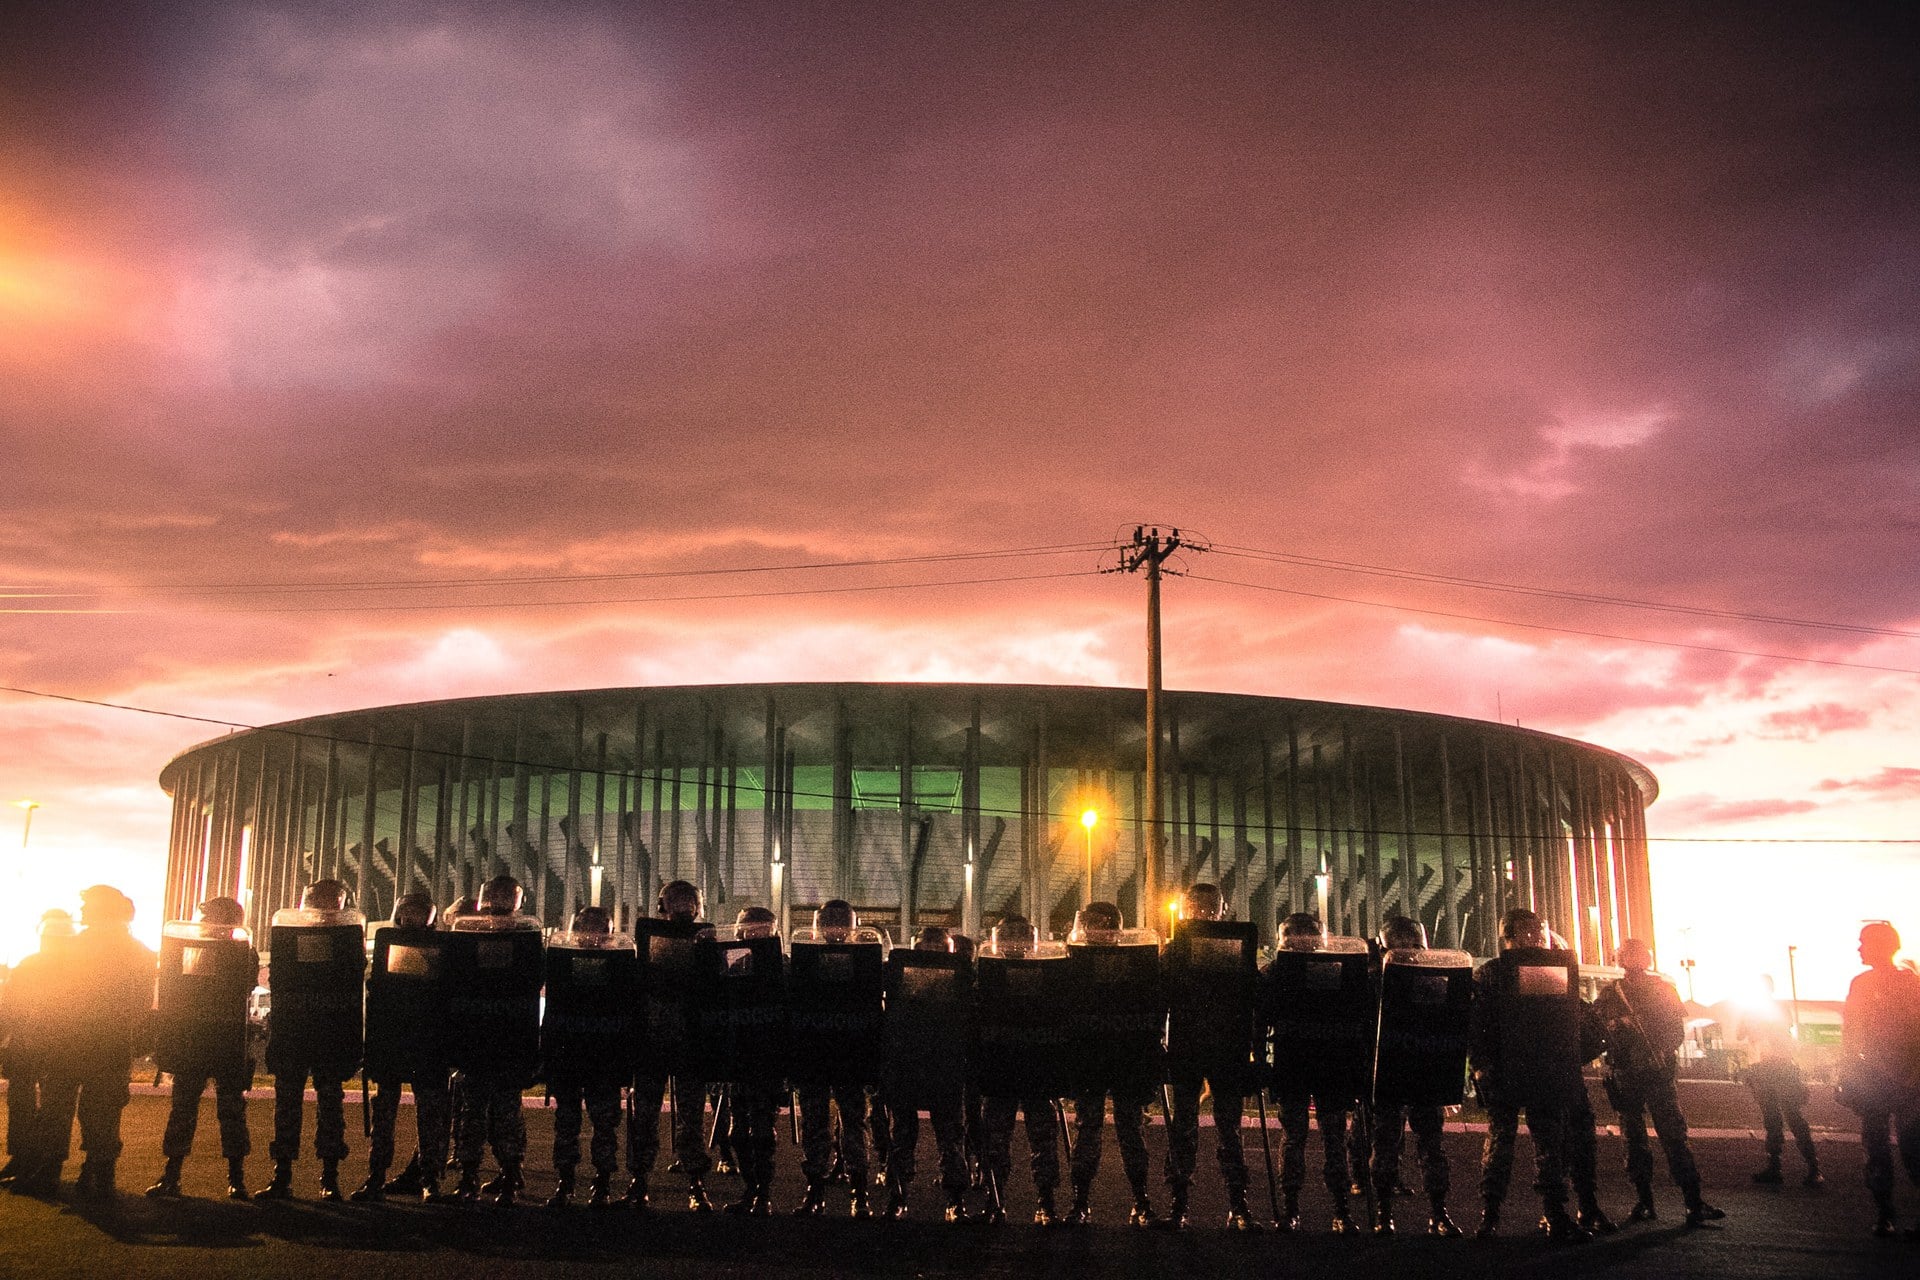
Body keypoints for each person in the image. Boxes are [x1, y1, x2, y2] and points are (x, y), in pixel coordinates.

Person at [20, 885, 157, 1200]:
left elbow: (53, 995)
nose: (81, 911)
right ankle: (99, 1171)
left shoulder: (73, 948)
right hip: (110, 1041)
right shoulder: (138, 951)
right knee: (104, 1109)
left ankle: (50, 1170)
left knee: (57, 1104)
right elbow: (139, 1003)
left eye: (87, 906)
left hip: (70, 1039)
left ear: (100, 910)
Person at [1471, 909, 1586, 1242]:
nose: (1536, 936)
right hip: (1506, 1070)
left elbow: (1568, 1019)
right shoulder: (1491, 973)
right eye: (1527, 931)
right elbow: (1477, 1025)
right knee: (1500, 1143)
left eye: (1539, 930)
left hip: (1545, 1069)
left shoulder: (1555, 968)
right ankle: (1490, 1214)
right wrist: (1481, 1065)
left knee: (1551, 1144)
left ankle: (1555, 1211)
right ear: (1508, 936)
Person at [1595, 937, 1724, 1227]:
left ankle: (1683, 1201)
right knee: (1645, 1139)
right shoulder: (1615, 993)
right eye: (1631, 955)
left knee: (1666, 1138)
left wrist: (1658, 1049)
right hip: (1634, 1073)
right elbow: (1602, 1030)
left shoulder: (1655, 990)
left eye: (1638, 955)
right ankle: (1659, 1201)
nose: (1635, 961)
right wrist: (1621, 1028)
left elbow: (1675, 1032)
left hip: (1652, 1072)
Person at [257, 879, 365, 1201]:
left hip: (323, 1034)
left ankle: (328, 1176)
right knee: (291, 1106)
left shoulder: (347, 935)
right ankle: (285, 1175)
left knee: (327, 1107)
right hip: (298, 1032)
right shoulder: (292, 931)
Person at [147, 897, 258, 1201]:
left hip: (226, 1040)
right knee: (182, 1110)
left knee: (231, 1112)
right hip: (194, 1040)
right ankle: (172, 1174)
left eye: (211, 918)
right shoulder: (188, 949)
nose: (206, 924)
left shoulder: (244, 951)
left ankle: (236, 1178)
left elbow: (240, 986)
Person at [1162, 884, 1259, 1231]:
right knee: (1183, 1126)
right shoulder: (1176, 950)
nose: (1203, 913)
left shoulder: (1237, 947)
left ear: (1222, 910)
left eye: (1209, 907)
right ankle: (1179, 1203)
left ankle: (1238, 1204)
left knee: (1228, 1130)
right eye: (1196, 907)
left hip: (1225, 1048)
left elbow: (1254, 997)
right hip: (1194, 1046)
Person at [1263, 911, 1365, 1233]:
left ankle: (1311, 1210)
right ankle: (1327, 1210)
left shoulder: (1281, 971)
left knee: (1317, 1138)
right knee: (1313, 1138)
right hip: (1310, 1063)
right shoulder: (1284, 971)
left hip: (1317, 1063)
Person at [1062, 900, 1161, 1228]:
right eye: (1090, 924)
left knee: (1125, 1128)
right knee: (1091, 1127)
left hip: (1118, 1056)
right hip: (1103, 1056)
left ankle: (1139, 1199)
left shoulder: (1131, 961)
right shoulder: (1076, 959)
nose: (1095, 931)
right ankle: (1082, 1201)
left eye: (1100, 924)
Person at [449, 874, 543, 1207]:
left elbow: (533, 980)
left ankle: (509, 1173)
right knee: (474, 1112)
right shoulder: (467, 931)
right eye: (494, 894)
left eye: (507, 896)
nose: (499, 901)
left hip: (507, 1039)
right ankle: (469, 1175)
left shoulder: (527, 934)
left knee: (506, 1111)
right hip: (479, 1037)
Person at [1366, 915, 1463, 1237]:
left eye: (1414, 944)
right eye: (1400, 945)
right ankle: (1383, 1211)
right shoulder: (1373, 982)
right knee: (1385, 1146)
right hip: (1390, 1072)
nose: (1408, 951)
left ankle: (1438, 1211)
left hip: (1425, 1069)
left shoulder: (1438, 979)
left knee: (1432, 1146)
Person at [355, 892, 454, 1203]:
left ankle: (430, 1180)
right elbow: (376, 992)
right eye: (407, 912)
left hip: (427, 1040)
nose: (412, 918)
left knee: (430, 1117)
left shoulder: (442, 945)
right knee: (384, 1113)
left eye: (418, 913)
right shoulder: (386, 939)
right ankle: (376, 1177)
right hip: (392, 1039)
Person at [790, 899, 881, 1217]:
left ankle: (857, 1192)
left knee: (852, 1124)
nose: (835, 930)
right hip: (824, 1057)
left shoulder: (866, 961)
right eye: (829, 923)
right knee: (818, 1125)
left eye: (840, 923)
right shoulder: (803, 961)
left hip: (846, 1058)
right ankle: (818, 1190)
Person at [627, 879, 714, 1212]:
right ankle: (640, 1180)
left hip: (688, 1040)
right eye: (677, 901)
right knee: (645, 1116)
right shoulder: (647, 938)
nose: (683, 908)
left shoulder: (705, 940)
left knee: (691, 1118)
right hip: (654, 1040)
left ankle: (695, 1182)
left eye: (688, 901)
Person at [974, 914, 1066, 1225]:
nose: (1016, 941)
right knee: (999, 1139)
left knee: (1041, 1139)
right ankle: (996, 1197)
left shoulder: (1050, 971)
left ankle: (1044, 1199)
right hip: (1004, 1068)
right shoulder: (984, 971)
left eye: (1021, 935)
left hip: (1031, 1067)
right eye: (1009, 934)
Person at [880, 924, 972, 1222]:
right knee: (917, 1135)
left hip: (931, 1063)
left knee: (944, 1136)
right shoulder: (960, 974)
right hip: (923, 1063)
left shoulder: (959, 975)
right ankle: (906, 1195)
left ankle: (944, 1197)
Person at [543, 905, 632, 1210]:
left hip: (602, 1057)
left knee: (604, 1124)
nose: (593, 934)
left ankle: (602, 1183)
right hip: (572, 1053)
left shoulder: (621, 960)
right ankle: (565, 1182)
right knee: (567, 1122)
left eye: (600, 928)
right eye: (588, 927)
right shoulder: (560, 957)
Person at [1840, 921, 1920, 1237]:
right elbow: (1851, 1033)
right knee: (1893, 1147)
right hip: (1889, 1077)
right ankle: (1886, 1210)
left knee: (1896, 1147)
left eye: (1864, 942)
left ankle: (1886, 1213)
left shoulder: (1893, 984)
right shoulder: (1903, 983)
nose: (1859, 948)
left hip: (1899, 1077)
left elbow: (1850, 1034)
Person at [0, 910, 76, 1189]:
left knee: (29, 1103)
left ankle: (30, 1162)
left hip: (31, 1044)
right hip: (50, 1045)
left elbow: (8, 1008)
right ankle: (41, 1164)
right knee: (53, 1105)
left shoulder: (29, 965)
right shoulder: (77, 969)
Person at [1737, 975, 1822, 1188]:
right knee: (1780, 1117)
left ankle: (1803, 1167)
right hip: (1772, 1067)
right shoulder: (1769, 1009)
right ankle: (1798, 1166)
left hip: (1775, 1067)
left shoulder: (1768, 1010)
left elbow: (1748, 1034)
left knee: (1784, 1117)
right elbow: (1744, 1034)